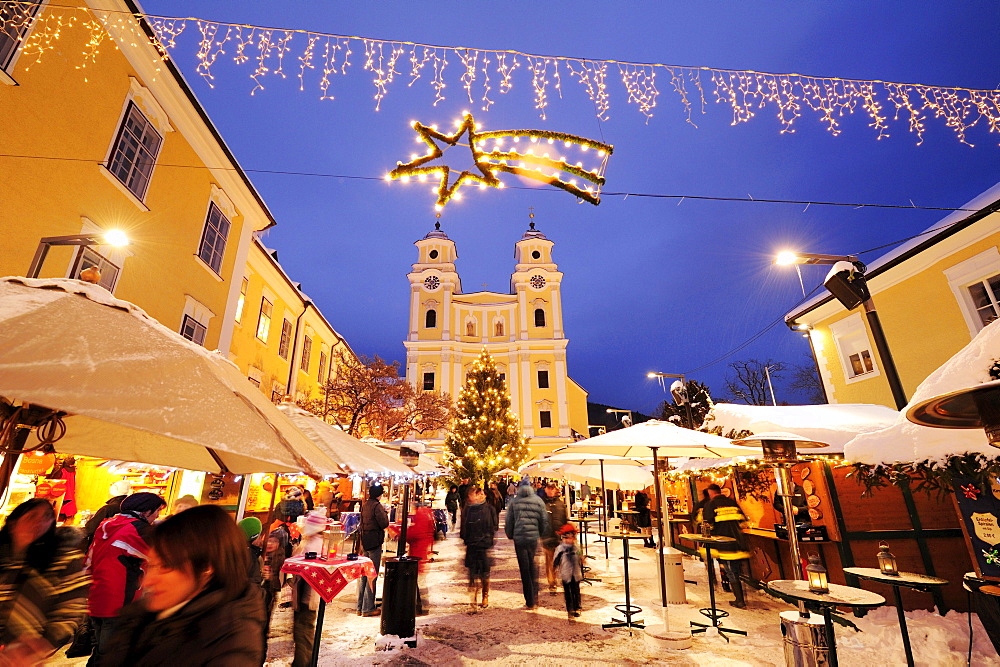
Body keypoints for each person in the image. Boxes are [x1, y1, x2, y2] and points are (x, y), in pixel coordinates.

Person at [100, 505, 266, 665]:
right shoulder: (143, 615)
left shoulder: (230, 641)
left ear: (206, 568)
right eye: (151, 565)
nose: (148, 581)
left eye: (165, 566)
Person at [0, 499, 89, 665]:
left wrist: (42, 644)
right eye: (32, 516)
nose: (40, 522)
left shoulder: (63, 560)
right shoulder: (5, 556)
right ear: (13, 524)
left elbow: (71, 610)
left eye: (47, 516)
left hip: (22, 656)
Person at [87, 491, 165, 666]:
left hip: (97, 594)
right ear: (146, 512)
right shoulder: (139, 530)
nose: (158, 515)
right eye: (157, 511)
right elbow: (163, 555)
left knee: (101, 649)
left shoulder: (107, 523)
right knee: (110, 655)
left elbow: (90, 559)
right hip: (120, 598)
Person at [703, 483, 750, 608]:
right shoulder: (732, 502)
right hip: (737, 541)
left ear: (711, 493)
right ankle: (739, 596)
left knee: (731, 571)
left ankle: (740, 600)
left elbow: (707, 522)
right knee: (735, 570)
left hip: (723, 542)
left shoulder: (711, 504)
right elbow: (743, 521)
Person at [504, 479, 548, 610]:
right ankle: (535, 595)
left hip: (520, 539)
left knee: (524, 569)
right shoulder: (538, 501)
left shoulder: (514, 502)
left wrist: (510, 534)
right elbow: (544, 520)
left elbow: (509, 521)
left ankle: (529, 600)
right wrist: (539, 533)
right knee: (533, 567)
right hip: (533, 539)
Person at [291, 510, 327, 667]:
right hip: (306, 596)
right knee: (303, 632)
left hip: (307, 597)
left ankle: (302, 663)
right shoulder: (315, 542)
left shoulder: (313, 545)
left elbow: (299, 565)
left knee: (302, 632)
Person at [460, 487, 498, 608]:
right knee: (472, 572)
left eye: (482, 494)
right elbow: (463, 528)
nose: (480, 495)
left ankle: (485, 596)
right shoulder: (467, 509)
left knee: (484, 572)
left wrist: (487, 539)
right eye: (477, 494)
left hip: (483, 545)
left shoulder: (489, 509)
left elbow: (494, 526)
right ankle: (474, 597)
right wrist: (467, 539)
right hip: (471, 545)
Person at [357, 484, 389, 617]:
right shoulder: (377, 506)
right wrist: (386, 513)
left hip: (365, 541)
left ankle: (360, 607)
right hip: (374, 542)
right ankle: (368, 608)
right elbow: (384, 523)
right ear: (379, 494)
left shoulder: (365, 504)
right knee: (372, 575)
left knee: (364, 575)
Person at [406, 502, 436, 615]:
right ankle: (421, 605)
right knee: (420, 581)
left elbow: (415, 534)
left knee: (421, 581)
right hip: (423, 552)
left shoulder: (420, 515)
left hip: (419, 553)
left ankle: (423, 606)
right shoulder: (427, 514)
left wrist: (402, 533)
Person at [81, 480, 130, 551]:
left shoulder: (108, 509)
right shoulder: (130, 507)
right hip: (122, 546)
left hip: (102, 546)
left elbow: (90, 529)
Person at [259, 529, 288, 641]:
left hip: (270, 589)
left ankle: (264, 634)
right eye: (268, 541)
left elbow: (280, 576)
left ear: (279, 544)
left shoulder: (279, 556)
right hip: (262, 588)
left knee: (266, 613)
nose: (270, 544)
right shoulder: (263, 553)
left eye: (274, 542)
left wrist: (271, 577)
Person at [540, 482, 568, 595]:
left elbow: (564, 519)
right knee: (550, 562)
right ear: (545, 489)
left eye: (552, 489)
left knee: (560, 561)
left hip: (559, 537)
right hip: (546, 537)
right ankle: (552, 583)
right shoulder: (541, 504)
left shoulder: (561, 504)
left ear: (555, 490)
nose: (551, 491)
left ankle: (560, 580)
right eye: (549, 488)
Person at [552, 524, 584, 619]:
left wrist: (582, 559)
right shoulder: (560, 548)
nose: (569, 541)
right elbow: (556, 559)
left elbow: (580, 555)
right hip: (566, 573)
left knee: (576, 591)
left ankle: (577, 607)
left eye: (571, 538)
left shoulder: (576, 547)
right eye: (567, 538)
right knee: (568, 592)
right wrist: (554, 568)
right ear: (563, 538)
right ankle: (570, 608)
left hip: (576, 573)